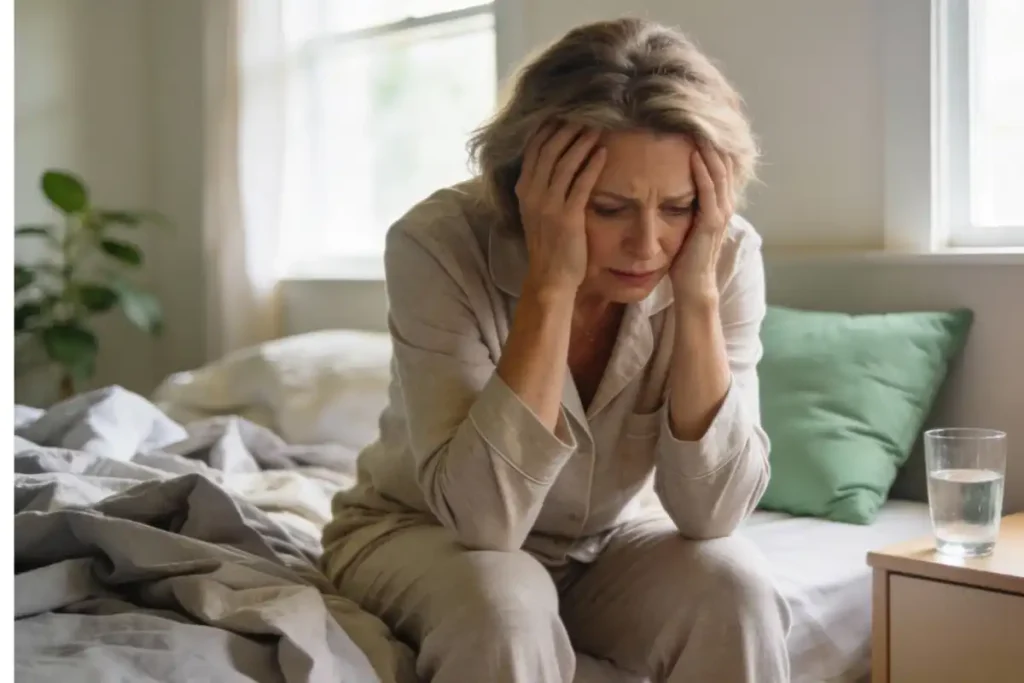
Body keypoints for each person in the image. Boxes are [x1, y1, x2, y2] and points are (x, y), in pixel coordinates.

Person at [322, 16, 791, 683]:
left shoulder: (724, 253)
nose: (647, 245)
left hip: (604, 541)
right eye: (608, 208)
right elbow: (486, 522)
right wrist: (551, 285)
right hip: (422, 530)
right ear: (529, 188)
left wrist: (697, 299)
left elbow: (713, 514)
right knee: (506, 602)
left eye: (678, 207)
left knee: (735, 588)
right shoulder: (437, 244)